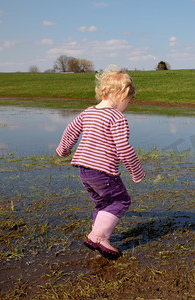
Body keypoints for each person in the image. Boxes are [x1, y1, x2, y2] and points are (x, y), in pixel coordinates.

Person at [56, 66, 145, 259]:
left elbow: (70, 130)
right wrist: (136, 171)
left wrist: (63, 149)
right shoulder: (117, 117)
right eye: (128, 101)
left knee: (103, 204)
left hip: (84, 171)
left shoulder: (88, 112)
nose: (127, 106)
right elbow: (123, 148)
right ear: (121, 95)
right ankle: (97, 237)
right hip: (103, 172)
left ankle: (99, 238)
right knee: (121, 200)